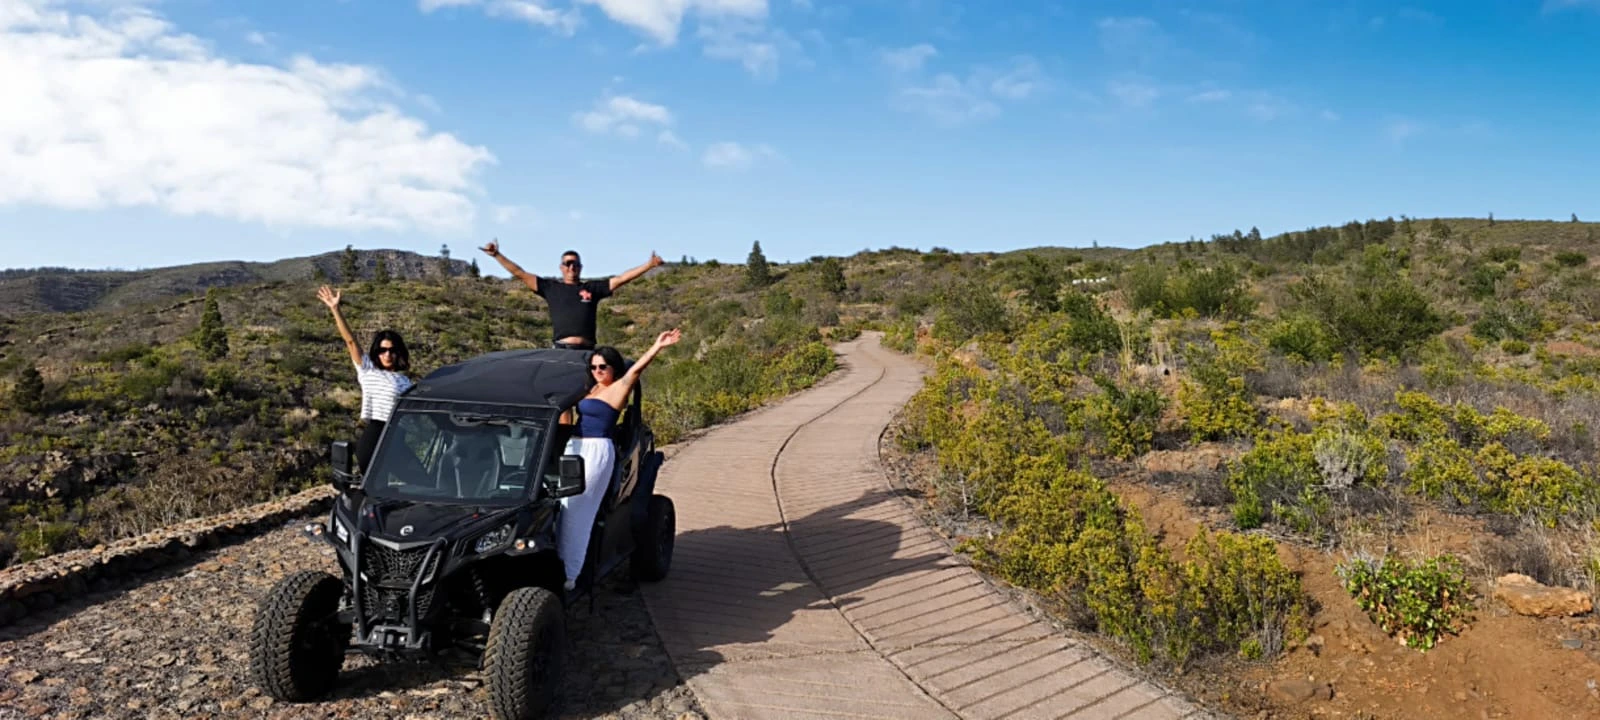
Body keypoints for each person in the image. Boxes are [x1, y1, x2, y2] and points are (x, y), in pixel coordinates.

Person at [556, 328, 682, 591]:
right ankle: (559, 562)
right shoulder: (588, 389)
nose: (598, 371)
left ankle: (570, 573)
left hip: (596, 448)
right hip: (574, 446)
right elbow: (566, 412)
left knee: (579, 510)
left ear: (613, 368)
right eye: (594, 367)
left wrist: (657, 346)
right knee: (561, 506)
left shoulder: (617, 390)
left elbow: (636, 370)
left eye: (603, 366)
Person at [478, 240, 665, 349]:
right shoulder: (551, 288)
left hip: (587, 350)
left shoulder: (592, 288)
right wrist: (497, 255)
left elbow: (621, 279)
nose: (571, 267)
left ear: (581, 267)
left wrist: (649, 265)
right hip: (562, 349)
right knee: (563, 399)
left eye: (575, 264)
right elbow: (519, 273)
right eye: (567, 263)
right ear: (561, 267)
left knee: (588, 395)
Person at [317, 285, 416, 473]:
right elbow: (350, 340)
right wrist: (335, 309)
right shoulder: (367, 369)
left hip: (397, 435)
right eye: (382, 350)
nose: (387, 354)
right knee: (372, 483)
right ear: (376, 352)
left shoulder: (406, 382)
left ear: (399, 353)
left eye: (392, 350)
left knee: (421, 481)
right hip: (375, 431)